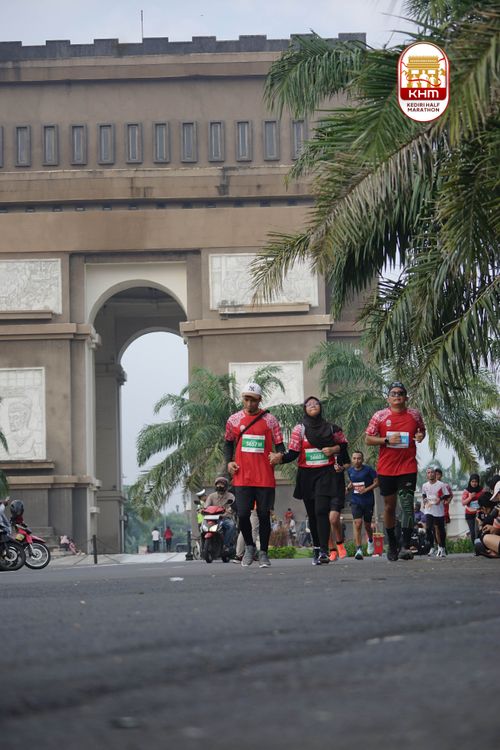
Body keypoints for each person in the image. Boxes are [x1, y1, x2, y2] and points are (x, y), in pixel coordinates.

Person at [269, 396, 350, 565]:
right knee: (312, 514)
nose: (313, 405)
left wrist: (334, 449)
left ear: (320, 407)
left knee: (321, 510)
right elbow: (293, 453)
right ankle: (317, 549)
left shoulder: (332, 428)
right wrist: (280, 458)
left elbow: (343, 445)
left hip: (326, 474)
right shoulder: (300, 429)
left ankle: (324, 551)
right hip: (306, 475)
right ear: (304, 409)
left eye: (316, 403)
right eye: (309, 404)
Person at [224, 382, 285, 568]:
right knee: (243, 514)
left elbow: (280, 445)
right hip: (242, 476)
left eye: (253, 400)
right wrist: (229, 462)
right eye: (246, 399)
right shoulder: (234, 420)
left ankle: (264, 553)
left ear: (260, 400)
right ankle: (250, 547)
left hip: (264, 477)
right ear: (242, 399)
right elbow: (228, 443)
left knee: (263, 515)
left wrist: (279, 455)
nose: (249, 403)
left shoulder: (270, 420)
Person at [365, 381, 425, 561]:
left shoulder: (414, 414)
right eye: (393, 393)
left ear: (406, 397)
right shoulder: (380, 416)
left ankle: (405, 545)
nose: (397, 396)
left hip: (408, 466)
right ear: (388, 398)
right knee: (390, 507)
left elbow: (421, 431)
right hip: (387, 468)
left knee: (407, 505)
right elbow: (368, 439)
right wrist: (386, 440)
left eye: (400, 393)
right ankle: (392, 543)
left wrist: (420, 436)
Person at [346, 450, 378, 560]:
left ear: (362, 459)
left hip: (368, 501)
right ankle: (358, 549)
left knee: (367, 525)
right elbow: (352, 482)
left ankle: (370, 540)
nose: (356, 460)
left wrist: (366, 489)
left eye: (359, 458)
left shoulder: (368, 470)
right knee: (358, 523)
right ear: (352, 459)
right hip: (355, 500)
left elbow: (377, 482)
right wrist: (347, 488)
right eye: (354, 458)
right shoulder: (350, 471)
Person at [422, 467, 450, 557]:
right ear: (427, 475)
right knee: (428, 528)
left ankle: (442, 547)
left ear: (435, 474)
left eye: (432, 472)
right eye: (428, 473)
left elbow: (447, 495)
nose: (430, 474)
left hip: (439, 510)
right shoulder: (424, 485)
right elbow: (424, 495)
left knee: (441, 530)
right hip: (429, 509)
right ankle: (432, 547)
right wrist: (424, 501)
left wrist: (440, 499)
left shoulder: (441, 485)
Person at [205, 476, 237, 550]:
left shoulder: (230, 496)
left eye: (221, 484)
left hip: (224, 518)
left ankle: (226, 545)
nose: (219, 486)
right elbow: (206, 506)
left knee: (231, 525)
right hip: (212, 519)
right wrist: (203, 509)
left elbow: (233, 506)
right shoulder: (211, 496)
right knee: (203, 527)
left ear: (225, 486)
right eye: (218, 484)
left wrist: (229, 509)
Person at [461, 473, 482, 544]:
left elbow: (484, 501)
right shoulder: (466, 491)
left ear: (478, 482)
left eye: (476, 481)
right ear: (470, 482)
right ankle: (474, 547)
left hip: (479, 513)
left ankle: (480, 546)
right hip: (469, 514)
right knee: (472, 532)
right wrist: (470, 497)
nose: (474, 483)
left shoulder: (482, 490)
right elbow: (463, 503)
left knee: (478, 531)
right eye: (472, 481)